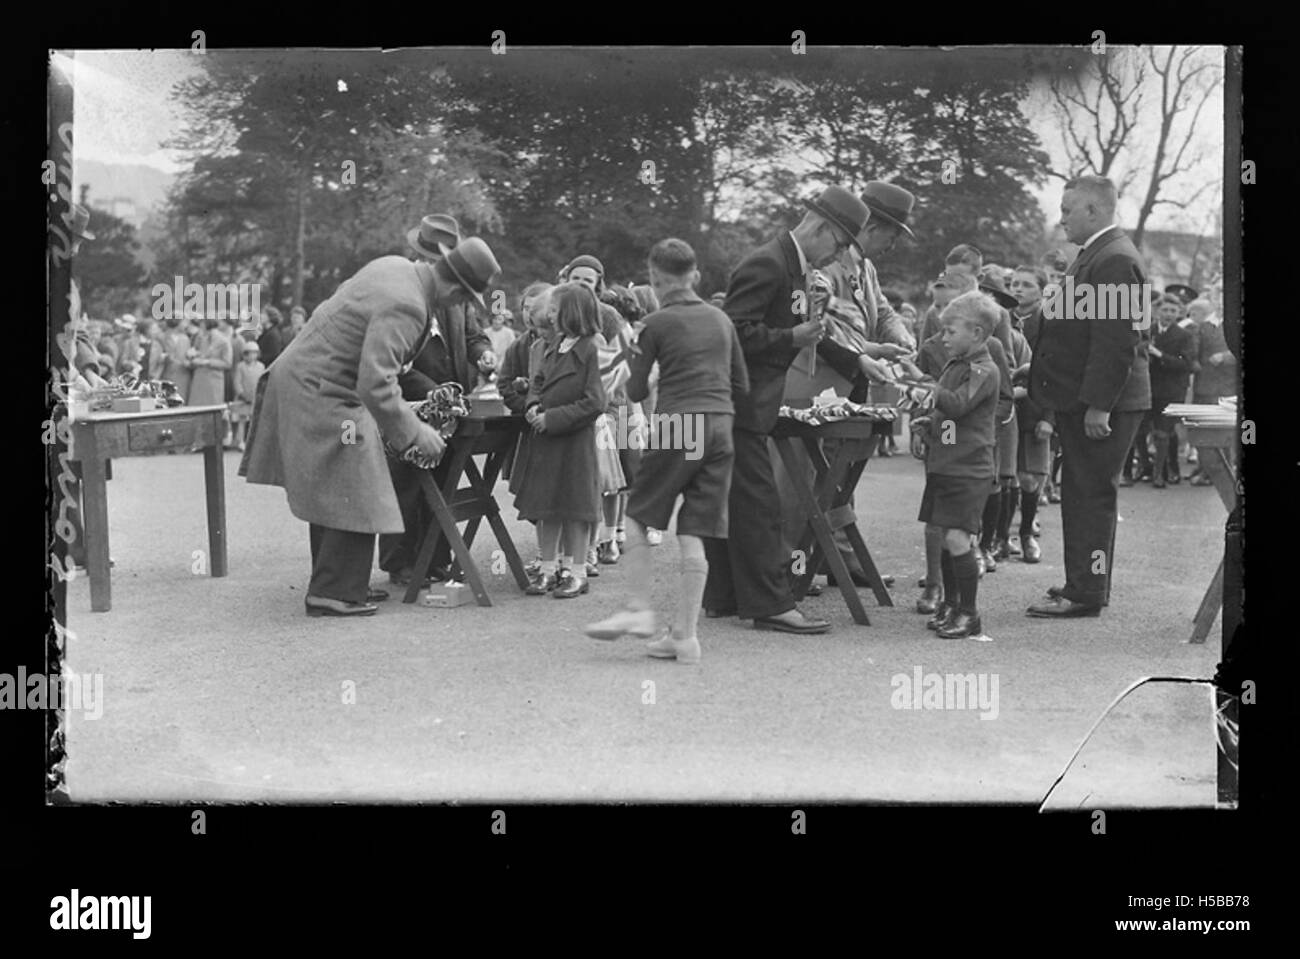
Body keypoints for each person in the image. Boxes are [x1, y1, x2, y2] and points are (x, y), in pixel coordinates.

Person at [242, 237, 501, 616]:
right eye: (463, 299)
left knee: (337, 481)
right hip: (320, 389)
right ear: (452, 287)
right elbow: (376, 383)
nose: (458, 308)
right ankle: (333, 592)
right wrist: (416, 432)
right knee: (357, 474)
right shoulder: (408, 305)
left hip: (309, 380)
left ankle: (341, 584)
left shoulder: (395, 267)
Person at [702, 185, 871, 635]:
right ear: (821, 227)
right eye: (837, 245)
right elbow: (734, 334)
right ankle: (771, 604)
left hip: (751, 404)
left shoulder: (788, 265)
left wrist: (850, 357)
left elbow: (796, 329)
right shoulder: (768, 263)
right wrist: (790, 340)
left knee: (739, 502)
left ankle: (723, 596)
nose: (835, 257)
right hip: (739, 405)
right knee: (759, 506)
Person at [585, 238, 748, 663]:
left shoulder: (654, 324)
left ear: (656, 280)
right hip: (721, 426)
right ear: (694, 275)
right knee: (694, 529)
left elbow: (636, 389)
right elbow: (741, 385)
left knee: (639, 515)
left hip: (681, 422)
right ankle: (685, 637)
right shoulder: (721, 320)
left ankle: (639, 609)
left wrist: (651, 377)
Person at [1026, 175, 1150, 618]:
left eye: (1066, 210)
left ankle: (1085, 593)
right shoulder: (1099, 255)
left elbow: (1117, 342)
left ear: (1093, 211)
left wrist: (1099, 404)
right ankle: (1083, 583)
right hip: (1090, 398)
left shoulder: (1113, 259)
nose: (1060, 220)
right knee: (1083, 493)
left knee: (1091, 495)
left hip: (1104, 403)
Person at [378, 214, 496, 588]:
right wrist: (432, 390)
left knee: (444, 481)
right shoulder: (403, 289)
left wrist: (483, 355)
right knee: (405, 483)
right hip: (409, 400)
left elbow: (474, 335)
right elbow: (395, 361)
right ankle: (400, 564)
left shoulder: (458, 296)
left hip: (450, 402)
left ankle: (437, 559)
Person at [906, 291, 1001, 639]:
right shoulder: (955, 365)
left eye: (950, 331)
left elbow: (959, 406)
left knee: (959, 539)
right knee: (947, 536)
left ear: (976, 333)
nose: (943, 337)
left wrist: (926, 390)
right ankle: (951, 603)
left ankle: (969, 613)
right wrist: (929, 423)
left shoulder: (983, 369)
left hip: (968, 468)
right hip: (947, 464)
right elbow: (949, 420)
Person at [513, 282, 607, 600]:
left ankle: (577, 571)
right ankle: (549, 568)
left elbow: (595, 402)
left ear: (571, 311)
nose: (548, 315)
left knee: (575, 509)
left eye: (554, 309)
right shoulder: (556, 345)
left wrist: (552, 418)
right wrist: (532, 405)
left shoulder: (592, 348)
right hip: (546, 442)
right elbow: (538, 382)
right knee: (547, 507)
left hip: (574, 442)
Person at [1008, 265, 1049, 562]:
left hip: (1037, 408)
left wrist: (1050, 417)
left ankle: (1026, 534)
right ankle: (999, 537)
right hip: (1005, 409)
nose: (1018, 289)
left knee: (1030, 478)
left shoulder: (1050, 321)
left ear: (1041, 291)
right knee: (1004, 477)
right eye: (1014, 284)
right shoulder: (1002, 318)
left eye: (1026, 285)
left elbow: (1057, 373)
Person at [1146, 292, 1199, 488]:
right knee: (1142, 431)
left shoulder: (1184, 335)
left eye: (1173, 311)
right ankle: (1147, 467)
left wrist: (1159, 354)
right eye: (1165, 310)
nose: (1168, 314)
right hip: (1148, 387)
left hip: (1171, 389)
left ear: (1179, 313)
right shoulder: (1148, 330)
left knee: (1163, 432)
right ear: (1157, 311)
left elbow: (1186, 364)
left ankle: (1159, 475)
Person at [1187, 298, 1237, 485]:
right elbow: (1192, 351)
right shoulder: (1203, 325)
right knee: (1203, 430)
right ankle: (1204, 468)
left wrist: (1225, 356)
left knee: (1221, 431)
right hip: (1203, 386)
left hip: (1226, 387)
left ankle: (1218, 472)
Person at [187, 313, 233, 408]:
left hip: (213, 381)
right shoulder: (200, 338)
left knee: (211, 411)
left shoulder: (223, 341)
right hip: (198, 380)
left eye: (201, 324)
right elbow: (194, 355)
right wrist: (192, 356)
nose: (200, 327)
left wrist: (207, 362)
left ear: (205, 325)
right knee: (196, 410)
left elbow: (227, 363)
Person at [230, 341, 265, 451]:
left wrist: (260, 393)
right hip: (243, 398)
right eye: (249, 353)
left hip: (255, 397)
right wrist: (242, 394)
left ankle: (253, 441)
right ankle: (240, 441)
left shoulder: (261, 366)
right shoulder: (240, 366)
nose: (252, 356)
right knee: (242, 419)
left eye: (255, 353)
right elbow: (237, 382)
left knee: (255, 420)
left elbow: (262, 381)